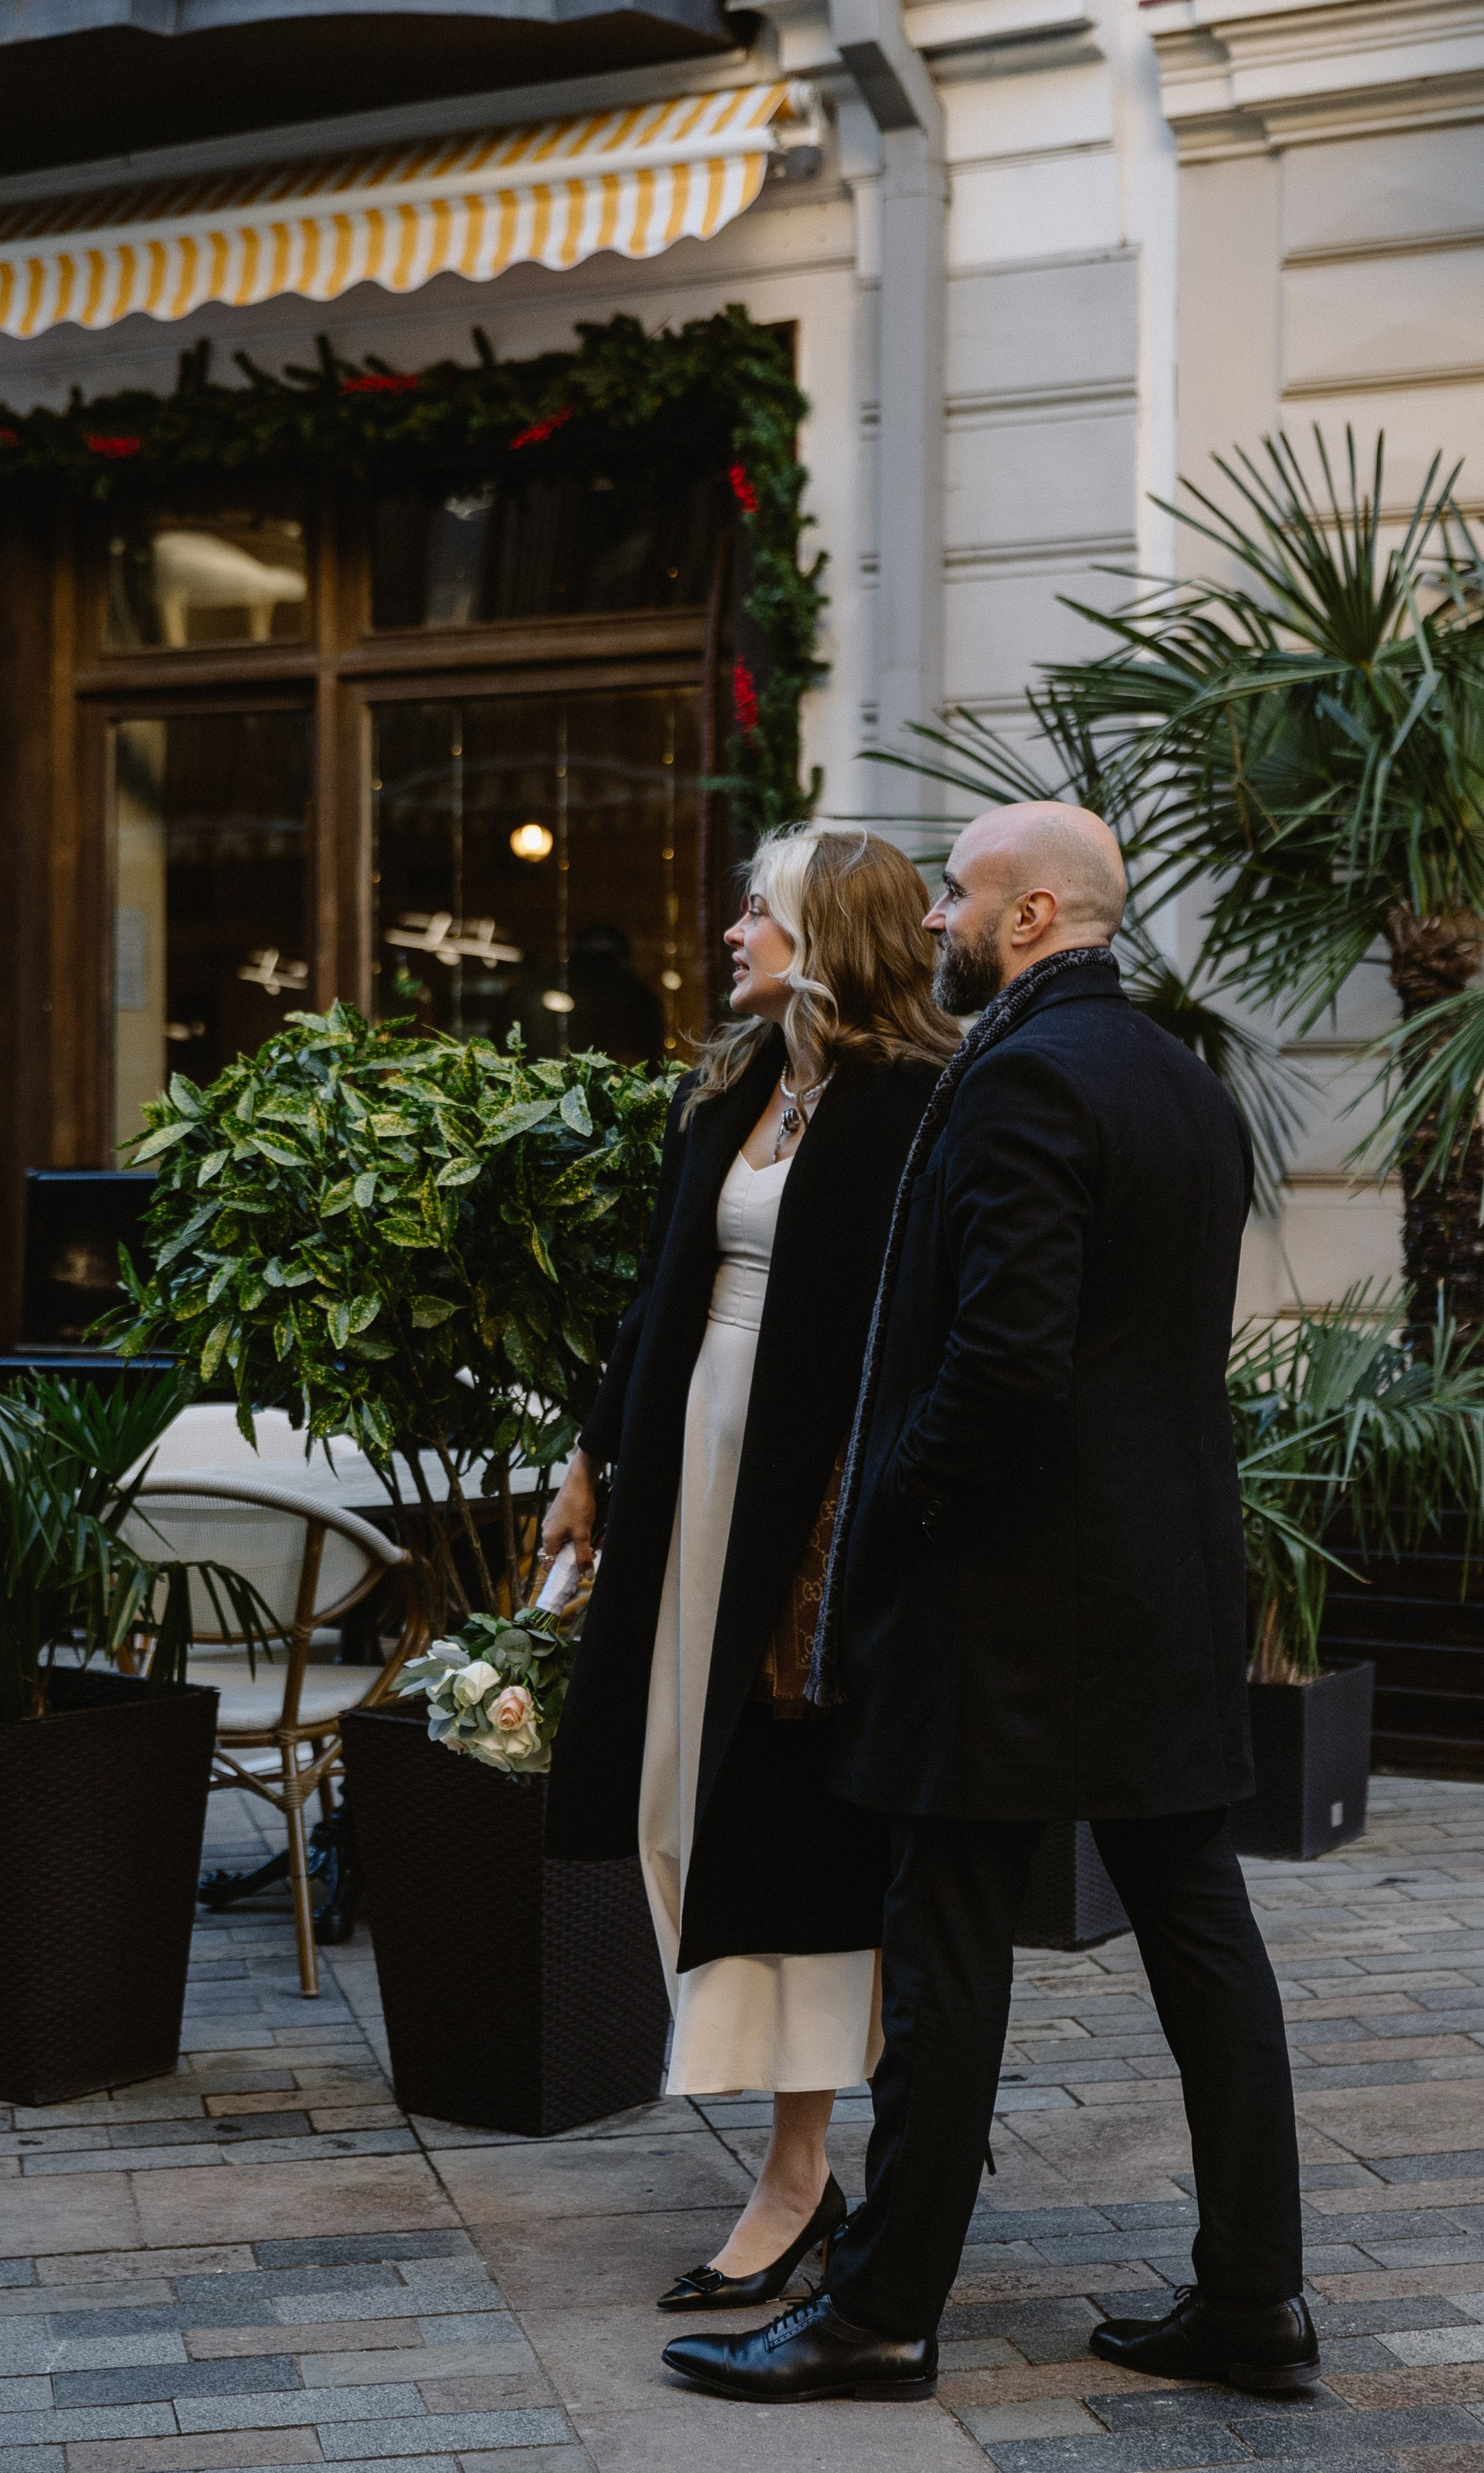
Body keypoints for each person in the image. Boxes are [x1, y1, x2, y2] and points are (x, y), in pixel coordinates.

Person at [661, 800, 1316, 2405]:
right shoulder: (1179, 1077)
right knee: (1200, 1939)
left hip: (1005, 1600)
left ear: (1028, 919)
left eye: (960, 892)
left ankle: (879, 2312)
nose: (941, 914)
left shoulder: (1018, 1073)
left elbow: (1006, 1359)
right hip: (1161, 1583)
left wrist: (897, 1507)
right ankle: (1253, 2300)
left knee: (942, 1960)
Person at [542, 825, 959, 2312]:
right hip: (684, 1483)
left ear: (825, 933)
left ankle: (796, 2173)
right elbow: (663, 1288)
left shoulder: (915, 1102)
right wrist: (588, 1456)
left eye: (757, 911)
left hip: (811, 1522)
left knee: (780, 1817)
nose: (731, 931)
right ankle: (790, 2138)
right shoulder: (730, 1085)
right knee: (667, 1801)